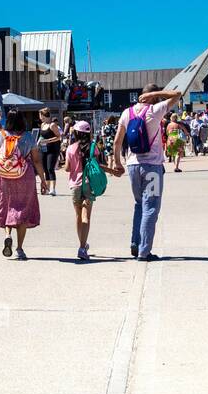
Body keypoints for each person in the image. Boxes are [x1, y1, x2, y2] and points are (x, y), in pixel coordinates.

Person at [112, 83, 184, 260]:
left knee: (139, 205)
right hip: (151, 166)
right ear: (153, 96)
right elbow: (178, 94)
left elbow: (117, 142)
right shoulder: (155, 110)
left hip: (132, 166)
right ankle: (144, 252)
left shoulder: (126, 113)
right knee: (150, 207)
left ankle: (135, 243)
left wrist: (117, 163)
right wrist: (157, 94)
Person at [0, 111, 47, 259]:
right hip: (25, 177)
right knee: (22, 210)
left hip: (4, 177)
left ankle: (8, 235)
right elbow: (37, 160)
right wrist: (43, 180)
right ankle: (20, 248)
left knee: (7, 207)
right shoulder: (28, 137)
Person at [66, 120, 123, 261]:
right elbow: (97, 166)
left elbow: (67, 168)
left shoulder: (70, 148)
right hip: (88, 185)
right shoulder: (93, 147)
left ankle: (82, 245)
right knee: (86, 216)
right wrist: (113, 171)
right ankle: (82, 246)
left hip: (74, 185)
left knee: (78, 216)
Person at [37, 108, 62, 197]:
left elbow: (58, 137)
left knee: (50, 168)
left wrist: (47, 141)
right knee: (45, 169)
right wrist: (38, 142)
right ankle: (47, 188)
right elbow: (41, 136)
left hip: (53, 149)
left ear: (44, 115)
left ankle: (53, 189)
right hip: (44, 149)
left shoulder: (52, 125)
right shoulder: (42, 125)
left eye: (40, 115)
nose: (40, 117)